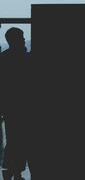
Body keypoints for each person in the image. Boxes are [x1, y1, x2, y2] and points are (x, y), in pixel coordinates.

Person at [0, 28, 29, 180]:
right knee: (21, 139)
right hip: (23, 106)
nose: (24, 39)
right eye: (22, 36)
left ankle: (10, 169)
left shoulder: (4, 58)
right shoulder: (25, 58)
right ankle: (15, 170)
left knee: (13, 138)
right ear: (16, 39)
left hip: (10, 106)